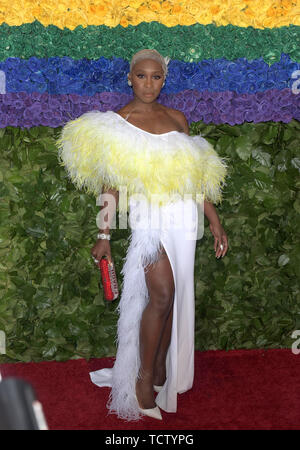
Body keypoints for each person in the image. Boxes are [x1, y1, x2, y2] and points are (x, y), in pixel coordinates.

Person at [56, 49, 228, 422]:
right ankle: (143, 380)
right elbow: (110, 186)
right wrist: (103, 233)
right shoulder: (118, 122)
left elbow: (193, 178)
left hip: (184, 217)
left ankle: (164, 370)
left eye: (156, 77)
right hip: (149, 218)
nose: (149, 83)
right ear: (129, 78)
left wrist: (214, 221)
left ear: (164, 80)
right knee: (162, 293)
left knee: (175, 295)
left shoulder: (177, 119)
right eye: (141, 76)